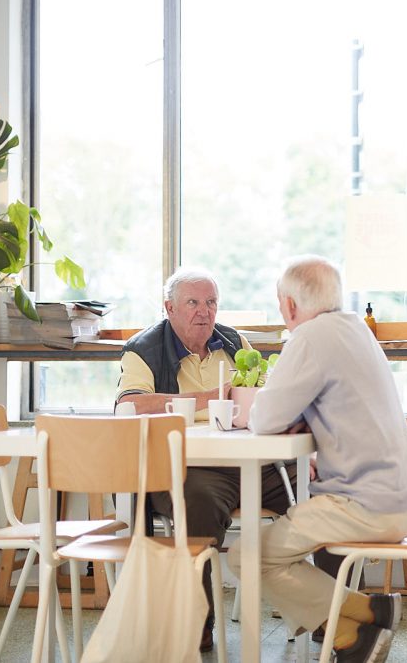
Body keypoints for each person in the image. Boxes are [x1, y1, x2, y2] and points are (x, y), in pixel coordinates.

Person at [227, 255, 407, 663]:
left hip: (367, 505)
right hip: (404, 499)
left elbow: (263, 418)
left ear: (290, 305)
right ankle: (367, 612)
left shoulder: (310, 338)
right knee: (261, 552)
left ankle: (353, 631)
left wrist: (284, 417)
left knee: (245, 555)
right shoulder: (355, 329)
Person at [116, 266, 297, 653]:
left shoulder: (234, 342)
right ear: (169, 308)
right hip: (188, 468)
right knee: (196, 504)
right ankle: (198, 621)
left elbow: (263, 392)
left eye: (211, 302)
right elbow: (129, 404)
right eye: (193, 302)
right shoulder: (142, 349)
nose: (204, 311)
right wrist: (209, 399)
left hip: (252, 462)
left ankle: (339, 618)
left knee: (319, 488)